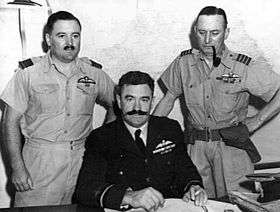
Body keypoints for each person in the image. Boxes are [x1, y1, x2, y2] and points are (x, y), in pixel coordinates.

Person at [153, 6, 280, 199]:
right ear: (195, 31)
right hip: (194, 148)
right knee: (196, 203)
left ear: (226, 33)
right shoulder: (183, 63)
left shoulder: (242, 66)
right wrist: (147, 135)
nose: (207, 40)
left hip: (231, 148)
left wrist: (257, 120)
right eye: (202, 32)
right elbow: (168, 99)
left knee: (238, 202)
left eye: (215, 33)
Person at [1, 11, 116, 207]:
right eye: (61, 35)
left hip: (83, 160)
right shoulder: (28, 74)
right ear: (48, 39)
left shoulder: (94, 73)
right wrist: (17, 168)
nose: (70, 42)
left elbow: (117, 105)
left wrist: (102, 141)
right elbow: (8, 123)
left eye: (75, 36)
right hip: (41, 161)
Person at [75, 71, 207, 211]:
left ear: (152, 101)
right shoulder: (101, 137)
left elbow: (185, 169)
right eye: (130, 99)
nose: (137, 108)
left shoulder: (169, 128)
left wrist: (193, 186)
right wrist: (128, 197)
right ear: (119, 101)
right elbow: (85, 189)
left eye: (144, 100)